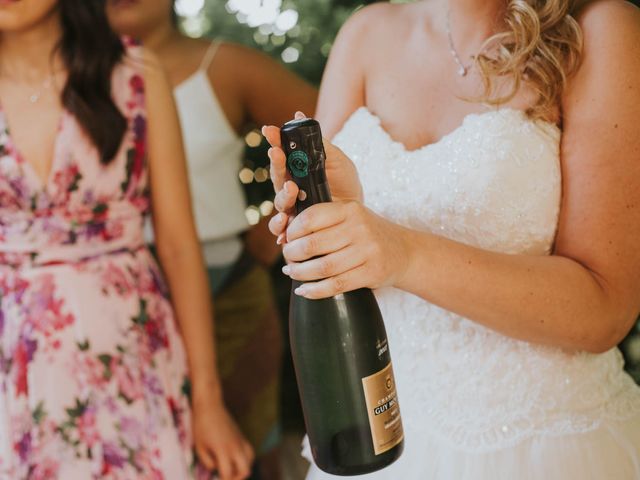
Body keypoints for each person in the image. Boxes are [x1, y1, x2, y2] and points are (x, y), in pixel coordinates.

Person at [263, 0, 640, 478]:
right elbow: (331, 264)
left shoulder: (600, 28)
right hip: (382, 437)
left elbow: (605, 308)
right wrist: (332, 228)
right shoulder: (365, 34)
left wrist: (403, 252)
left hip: (543, 446)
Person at [0, 0, 254, 478]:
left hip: (131, 355)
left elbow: (179, 247)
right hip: (14, 364)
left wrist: (208, 400)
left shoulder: (134, 72)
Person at [106, 1, 317, 478]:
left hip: (227, 291)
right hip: (115, 299)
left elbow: (334, 126)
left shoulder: (224, 65)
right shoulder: (66, 73)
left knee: (242, 454)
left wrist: (275, 226)